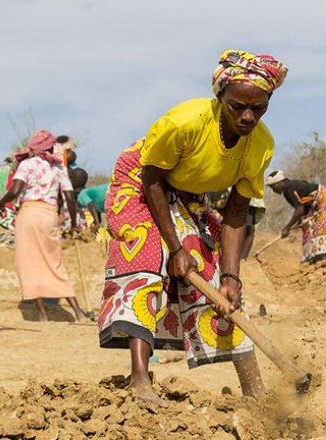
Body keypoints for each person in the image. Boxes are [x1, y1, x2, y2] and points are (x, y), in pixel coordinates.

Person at [96, 50, 287, 405]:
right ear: (220, 97)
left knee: (214, 277)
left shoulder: (261, 146)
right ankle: (140, 380)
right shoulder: (185, 122)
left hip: (186, 191)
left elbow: (235, 214)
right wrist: (176, 249)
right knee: (147, 259)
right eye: (237, 107)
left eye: (258, 109)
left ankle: (256, 391)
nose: (248, 116)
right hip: (141, 179)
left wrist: (232, 278)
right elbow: (151, 180)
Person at [0, 130, 87, 322]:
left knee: (29, 263)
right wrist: (75, 225)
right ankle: (77, 312)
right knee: (54, 262)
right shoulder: (59, 168)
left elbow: (16, 190)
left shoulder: (27, 164)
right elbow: (69, 198)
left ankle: (42, 314)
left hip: (28, 215)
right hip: (49, 215)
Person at [266, 171, 326, 263]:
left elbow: (300, 209)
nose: (273, 190)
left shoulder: (291, 187)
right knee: (308, 228)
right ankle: (311, 254)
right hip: (316, 203)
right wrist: (300, 222)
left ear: (279, 183)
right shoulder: (288, 190)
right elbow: (301, 207)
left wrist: (287, 227)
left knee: (322, 226)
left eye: (273, 187)